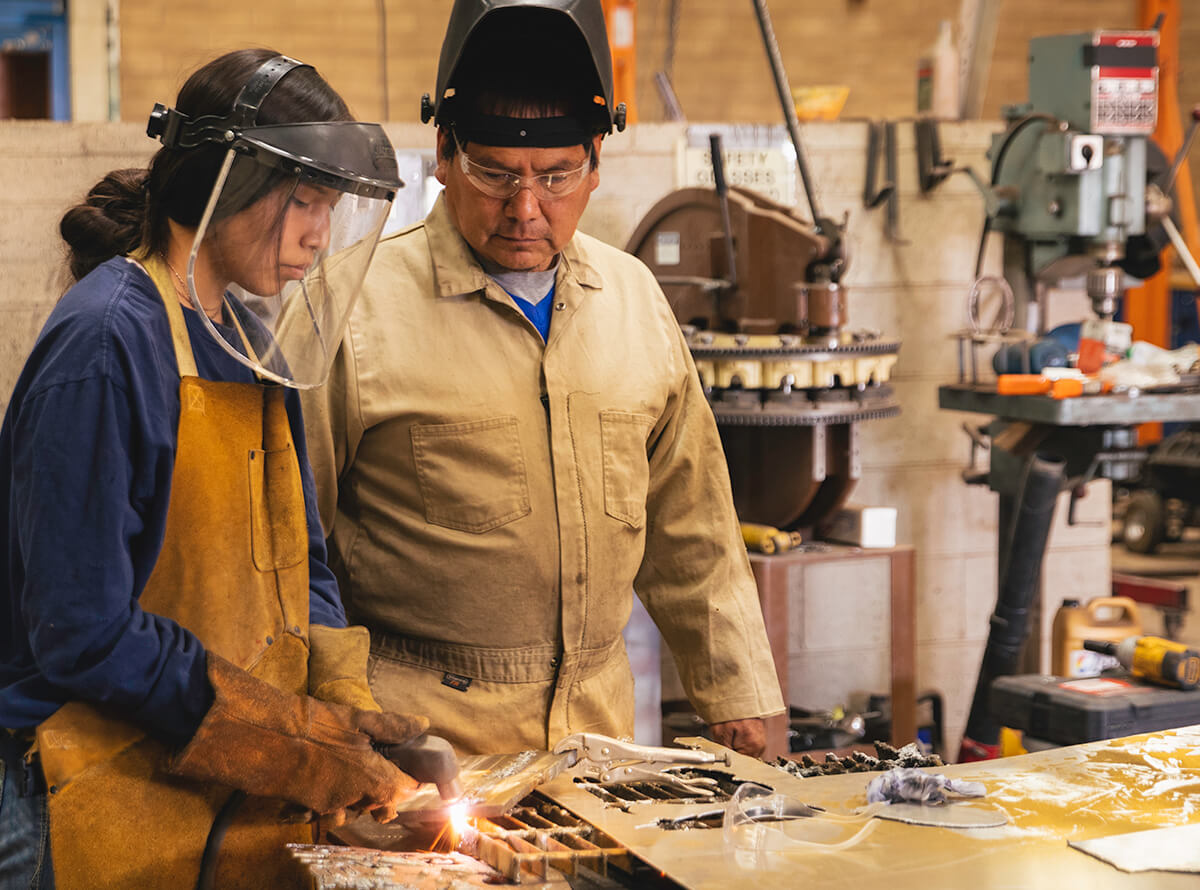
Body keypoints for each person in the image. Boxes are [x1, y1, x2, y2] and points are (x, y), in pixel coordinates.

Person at [300, 0, 785, 760]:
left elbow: (694, 526)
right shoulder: (351, 307)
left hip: (597, 745)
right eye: (494, 173)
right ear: (443, 154)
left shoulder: (633, 301)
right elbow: (289, 547)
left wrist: (737, 695)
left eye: (556, 176)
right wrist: (336, 715)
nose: (526, 209)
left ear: (597, 162)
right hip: (417, 749)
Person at [0, 49, 436, 890]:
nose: (319, 231)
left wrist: (342, 706)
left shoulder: (249, 342)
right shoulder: (106, 343)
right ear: (222, 182)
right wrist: (287, 740)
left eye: (333, 206)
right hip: (71, 790)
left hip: (203, 790)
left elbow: (299, 555)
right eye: (304, 200)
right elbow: (79, 630)